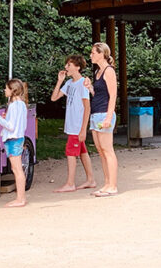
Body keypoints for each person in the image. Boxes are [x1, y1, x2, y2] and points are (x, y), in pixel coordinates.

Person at [50, 54, 96, 192]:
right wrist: (60, 81)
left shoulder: (83, 84)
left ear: (77, 67)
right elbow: (54, 98)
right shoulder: (69, 83)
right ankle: (91, 180)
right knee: (82, 152)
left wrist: (83, 129)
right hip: (72, 125)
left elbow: (87, 108)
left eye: (69, 65)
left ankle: (70, 183)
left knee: (71, 153)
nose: (66, 67)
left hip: (77, 126)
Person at [88, 42, 118, 197]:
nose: (91, 55)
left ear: (102, 54)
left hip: (104, 114)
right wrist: (90, 88)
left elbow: (113, 95)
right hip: (96, 113)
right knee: (100, 150)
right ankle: (106, 183)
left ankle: (112, 185)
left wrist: (108, 117)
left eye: (93, 53)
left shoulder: (109, 71)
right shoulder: (97, 72)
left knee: (108, 150)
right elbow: (99, 95)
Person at [0, 78, 29, 208]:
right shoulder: (22, 105)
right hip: (19, 138)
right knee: (17, 169)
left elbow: (10, 126)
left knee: (17, 169)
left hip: (13, 139)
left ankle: (20, 199)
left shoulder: (14, 106)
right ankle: (21, 197)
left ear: (12, 90)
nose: (5, 90)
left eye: (7, 88)